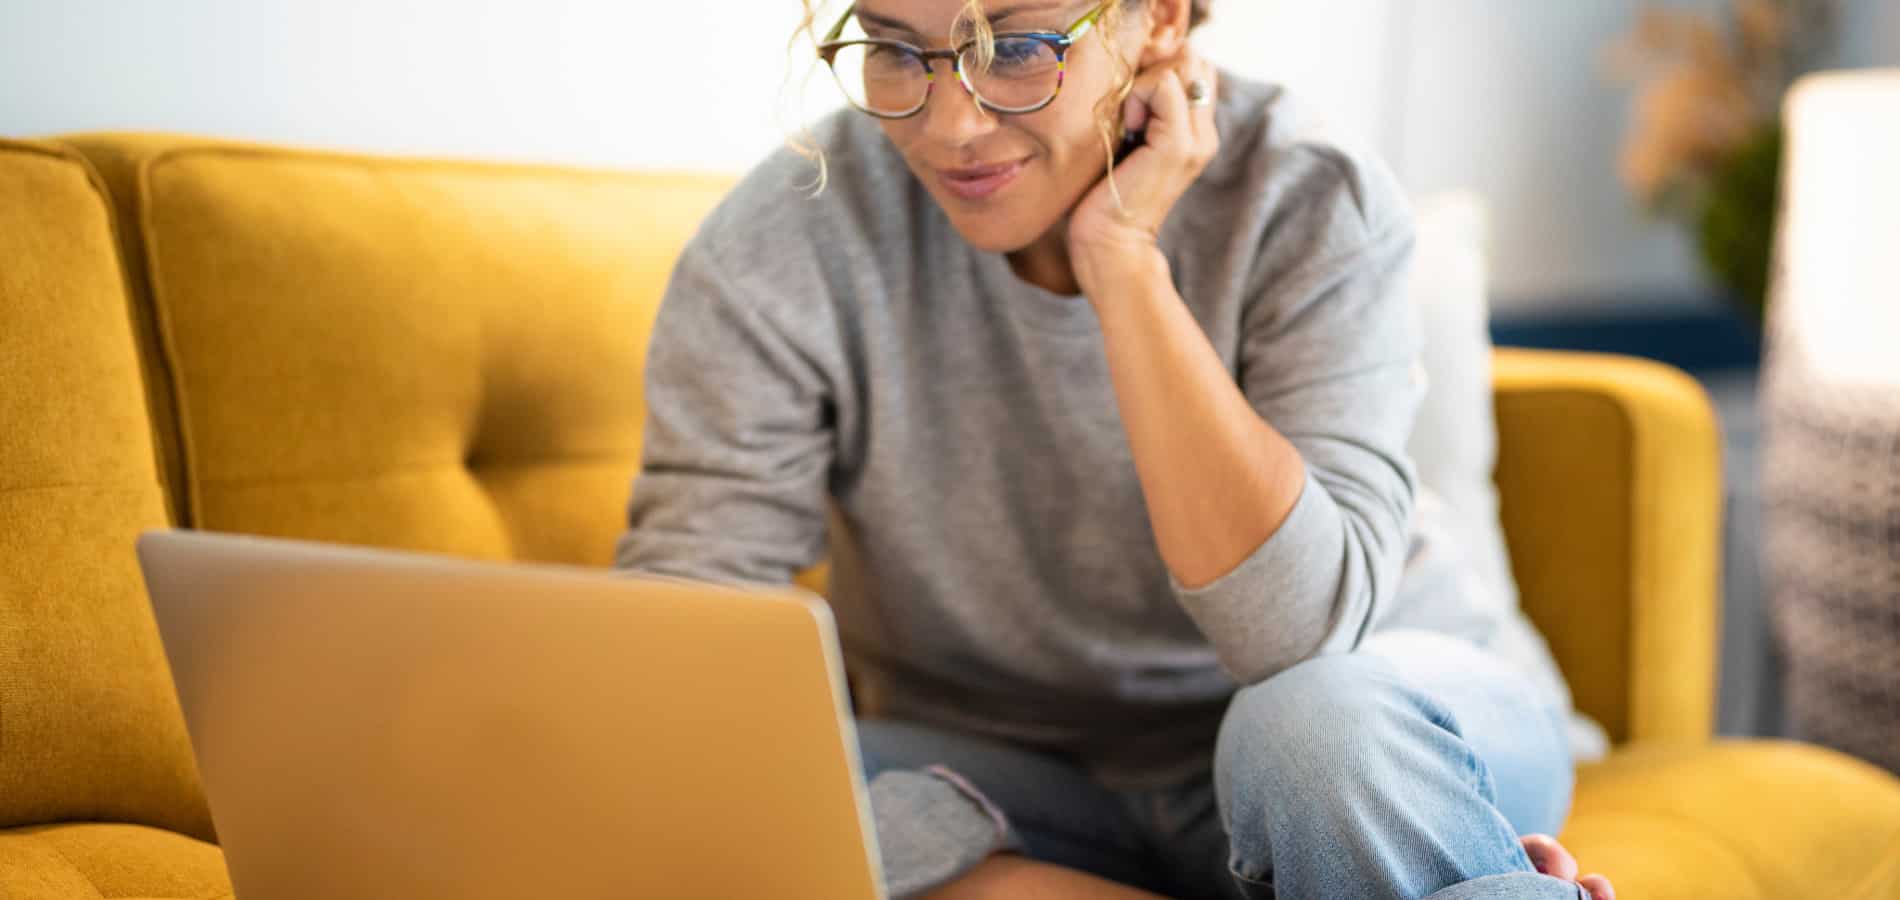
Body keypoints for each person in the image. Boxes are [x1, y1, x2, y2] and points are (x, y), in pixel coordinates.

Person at [616, 1, 1617, 897]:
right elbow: (690, 635)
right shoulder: (781, 240)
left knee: (1316, 732)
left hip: (1365, 723)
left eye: (1015, 48)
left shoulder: (1309, 194)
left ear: (1163, 21)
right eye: (892, 48)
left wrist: (1122, 263)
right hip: (1005, 771)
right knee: (755, 798)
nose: (949, 124)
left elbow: (1296, 635)